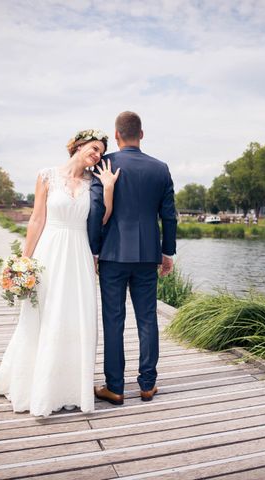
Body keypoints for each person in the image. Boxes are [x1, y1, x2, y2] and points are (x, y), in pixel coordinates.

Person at [0, 129, 119, 417]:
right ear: (78, 146)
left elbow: (102, 218)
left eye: (101, 152)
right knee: (45, 315)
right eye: (94, 148)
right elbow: (37, 219)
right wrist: (24, 261)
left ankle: (70, 387)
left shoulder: (94, 183)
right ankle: (39, 386)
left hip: (79, 253)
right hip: (50, 250)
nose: (97, 155)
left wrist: (108, 188)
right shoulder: (47, 175)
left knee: (76, 317)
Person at [88, 111, 177, 406]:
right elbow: (168, 216)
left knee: (113, 320)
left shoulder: (105, 163)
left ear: (116, 135)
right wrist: (167, 253)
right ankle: (148, 385)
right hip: (147, 256)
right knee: (147, 318)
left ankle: (115, 387)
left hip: (113, 254)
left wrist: (94, 249)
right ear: (142, 134)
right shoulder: (160, 169)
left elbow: (96, 210)